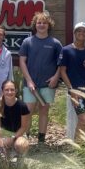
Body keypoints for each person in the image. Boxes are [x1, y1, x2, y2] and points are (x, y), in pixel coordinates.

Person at [19, 11, 62, 144]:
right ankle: (24, 138)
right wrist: (29, 81)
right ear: (35, 25)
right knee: (28, 112)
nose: (41, 25)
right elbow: (22, 62)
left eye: (44, 23)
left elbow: (61, 64)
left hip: (48, 85)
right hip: (30, 85)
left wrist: (56, 77)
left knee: (44, 111)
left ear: (49, 25)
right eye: (39, 23)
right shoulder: (28, 42)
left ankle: (41, 141)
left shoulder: (55, 43)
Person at [59, 21, 85, 141]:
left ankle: (83, 149)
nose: (81, 33)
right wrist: (71, 90)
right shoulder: (66, 50)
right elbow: (62, 71)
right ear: (75, 33)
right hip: (76, 94)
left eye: (84, 31)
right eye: (79, 31)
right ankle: (77, 149)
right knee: (83, 119)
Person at [0, 80, 30, 157]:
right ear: (2, 91)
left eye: (12, 90)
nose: (9, 92)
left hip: (18, 134)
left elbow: (23, 127)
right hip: (2, 133)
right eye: (7, 90)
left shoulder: (22, 106)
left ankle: (19, 163)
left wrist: (12, 138)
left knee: (21, 144)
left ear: (16, 91)